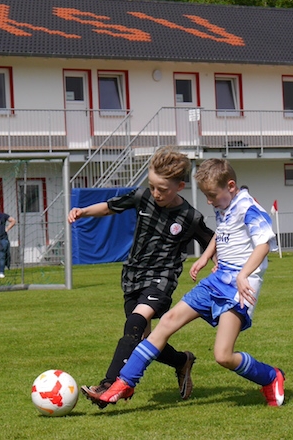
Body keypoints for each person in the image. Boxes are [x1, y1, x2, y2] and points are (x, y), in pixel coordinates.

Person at [99, 157, 287, 407]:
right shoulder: (225, 204)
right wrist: (206, 256)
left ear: (231, 186)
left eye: (211, 195)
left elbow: (264, 244)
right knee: (167, 321)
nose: (209, 201)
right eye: (206, 195)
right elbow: (221, 234)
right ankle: (124, 383)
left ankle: (271, 376)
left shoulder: (249, 208)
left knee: (223, 355)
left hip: (238, 289)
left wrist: (243, 275)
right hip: (216, 280)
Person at [69, 146, 214, 408]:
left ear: (180, 186)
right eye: (152, 186)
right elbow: (111, 207)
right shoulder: (142, 197)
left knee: (135, 322)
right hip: (132, 276)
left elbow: (212, 240)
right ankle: (182, 361)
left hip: (161, 279)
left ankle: (109, 385)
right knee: (142, 341)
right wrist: (83, 211)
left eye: (163, 189)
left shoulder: (190, 217)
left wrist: (217, 263)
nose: (156, 193)